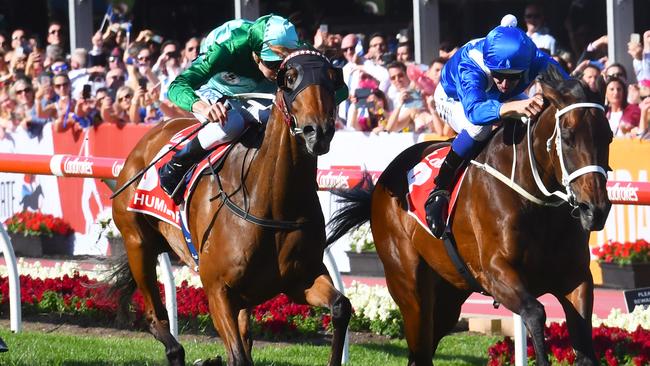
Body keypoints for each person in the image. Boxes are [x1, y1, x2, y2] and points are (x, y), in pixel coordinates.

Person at [158, 15, 334, 202]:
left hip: (256, 93)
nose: (279, 71)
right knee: (231, 124)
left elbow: (340, 89)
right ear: (256, 55)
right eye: (273, 64)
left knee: (286, 121)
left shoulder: (302, 51)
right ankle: (176, 165)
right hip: (215, 88)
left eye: (285, 63)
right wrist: (202, 107)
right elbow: (176, 86)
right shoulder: (226, 48)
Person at [423, 16, 566, 239]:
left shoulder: (534, 57)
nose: (506, 83)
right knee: (479, 129)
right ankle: (440, 187)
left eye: (513, 77)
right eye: (499, 76)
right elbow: (476, 112)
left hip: (495, 97)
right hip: (455, 99)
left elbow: (566, 85)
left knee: (535, 118)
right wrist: (514, 105)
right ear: (490, 67)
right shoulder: (471, 64)